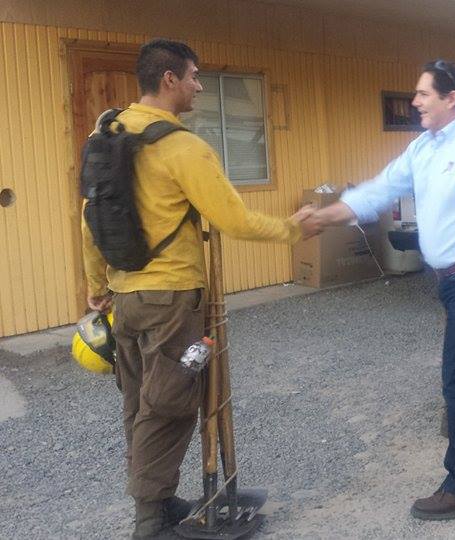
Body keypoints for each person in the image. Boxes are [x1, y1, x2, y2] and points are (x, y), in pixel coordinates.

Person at [80, 38, 322, 539]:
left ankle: (160, 501)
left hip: (126, 296)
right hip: (171, 298)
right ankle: (149, 523)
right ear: (169, 79)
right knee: (168, 406)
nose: (199, 86)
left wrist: (97, 282)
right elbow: (233, 219)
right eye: (193, 76)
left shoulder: (107, 134)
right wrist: (292, 229)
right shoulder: (182, 147)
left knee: (139, 403)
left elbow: (90, 218)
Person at [308, 60, 455, 520]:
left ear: (451, 98)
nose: (415, 102)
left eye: (423, 94)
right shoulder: (424, 147)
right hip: (453, 280)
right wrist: (327, 215)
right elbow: (381, 189)